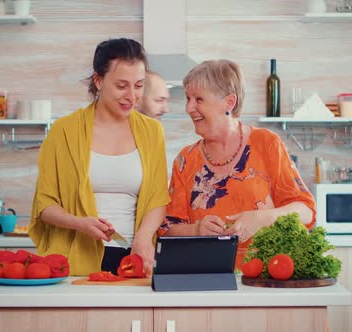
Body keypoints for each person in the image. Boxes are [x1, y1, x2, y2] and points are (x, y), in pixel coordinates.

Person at [28, 38, 170, 276]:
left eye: (139, 85)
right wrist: (79, 223)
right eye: (121, 85)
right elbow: (45, 205)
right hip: (74, 260)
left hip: (134, 260)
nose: (132, 96)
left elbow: (158, 198)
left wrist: (144, 238)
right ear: (98, 80)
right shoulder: (64, 131)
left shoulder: (153, 132)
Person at [159, 59, 315, 269]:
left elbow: (306, 211)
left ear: (229, 102)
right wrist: (196, 230)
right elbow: (167, 228)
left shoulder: (266, 143)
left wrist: (263, 218)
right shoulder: (186, 159)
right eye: (188, 98)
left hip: (267, 277)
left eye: (198, 99)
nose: (189, 108)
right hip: (207, 277)